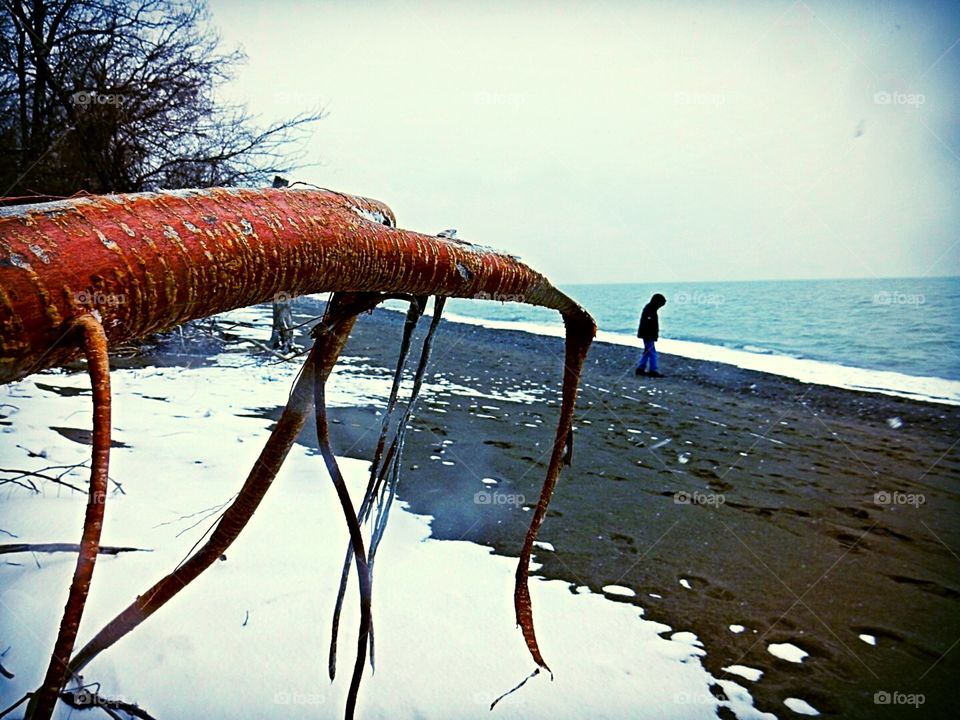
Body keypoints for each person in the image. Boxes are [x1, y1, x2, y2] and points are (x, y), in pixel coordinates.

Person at [635, 293, 666, 377]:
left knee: (647, 352)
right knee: (652, 352)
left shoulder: (650, 309)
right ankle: (653, 370)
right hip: (648, 335)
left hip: (647, 335)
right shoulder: (650, 310)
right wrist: (652, 336)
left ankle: (640, 368)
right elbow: (649, 325)